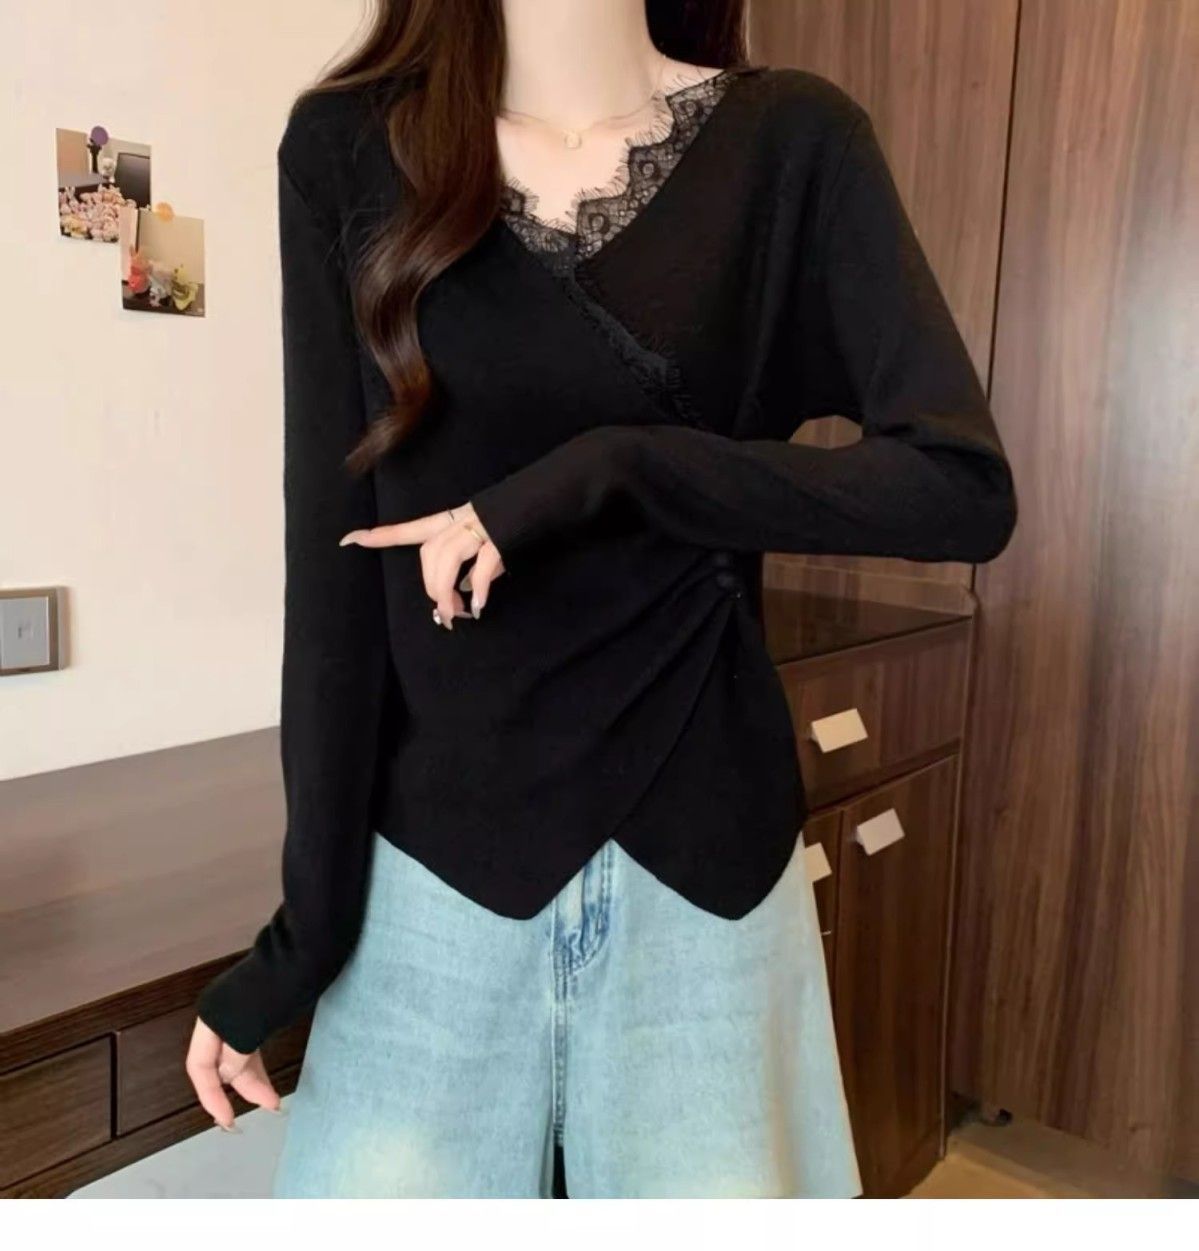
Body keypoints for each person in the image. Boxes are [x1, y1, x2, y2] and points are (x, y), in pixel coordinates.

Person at [184, 0, 1017, 1199]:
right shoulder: (346, 148)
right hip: (433, 883)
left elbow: (958, 491)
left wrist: (618, 470)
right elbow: (335, 585)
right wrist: (301, 938)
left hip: (706, 878)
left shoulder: (793, 142)